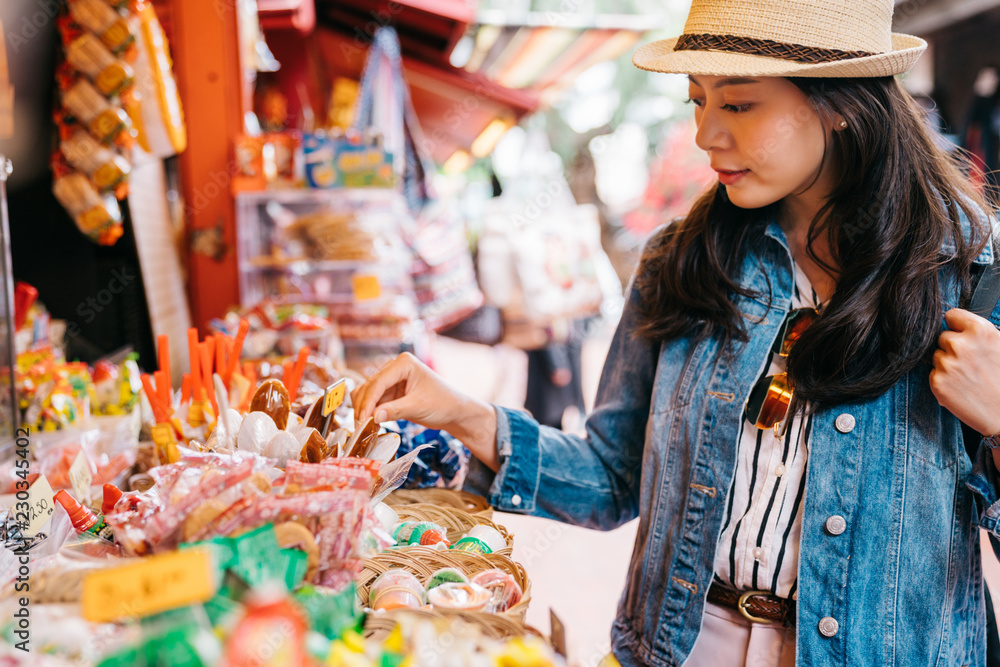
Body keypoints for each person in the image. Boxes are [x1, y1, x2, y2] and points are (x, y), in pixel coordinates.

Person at [352, 0, 1000, 665]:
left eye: (739, 105)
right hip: (680, 647)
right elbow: (612, 475)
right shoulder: (686, 260)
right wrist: (456, 411)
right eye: (698, 101)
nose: (706, 134)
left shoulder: (971, 276)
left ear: (841, 103)